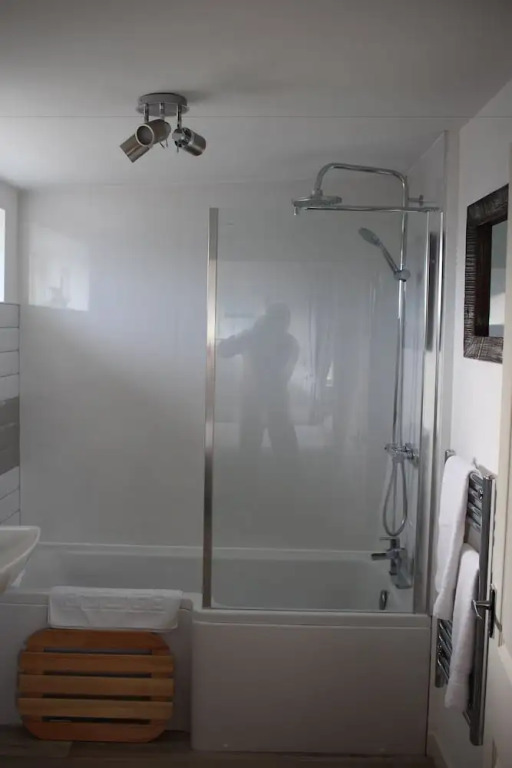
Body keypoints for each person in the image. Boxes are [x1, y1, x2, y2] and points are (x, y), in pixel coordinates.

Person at [218, 303, 299, 460]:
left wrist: (249, 335)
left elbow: (224, 350)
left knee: (276, 452)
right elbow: (223, 350)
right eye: (282, 321)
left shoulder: (256, 337)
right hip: (266, 401)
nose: (284, 325)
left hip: (266, 401)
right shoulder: (257, 337)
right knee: (267, 452)